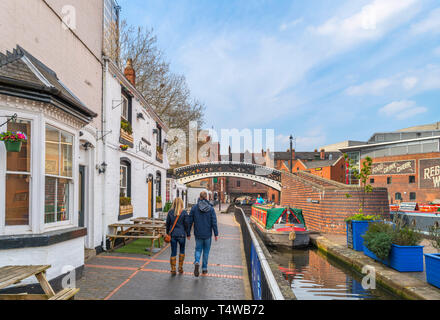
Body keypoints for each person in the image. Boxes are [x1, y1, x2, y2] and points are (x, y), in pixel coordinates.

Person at [188, 191, 219, 277]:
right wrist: (216, 234)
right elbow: (214, 222)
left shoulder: (194, 208)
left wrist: (188, 233)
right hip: (207, 234)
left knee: (198, 249)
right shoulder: (211, 209)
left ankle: (197, 261)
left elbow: (189, 221)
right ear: (206, 197)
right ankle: (204, 268)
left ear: (200, 197)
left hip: (198, 233)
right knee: (206, 251)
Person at [166, 198, 190, 276]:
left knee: (173, 251)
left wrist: (168, 233)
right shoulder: (184, 212)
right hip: (182, 235)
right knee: (182, 251)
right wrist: (188, 233)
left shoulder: (170, 212)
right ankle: (180, 267)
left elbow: (168, 224)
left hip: (173, 234)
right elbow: (187, 224)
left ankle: (173, 269)